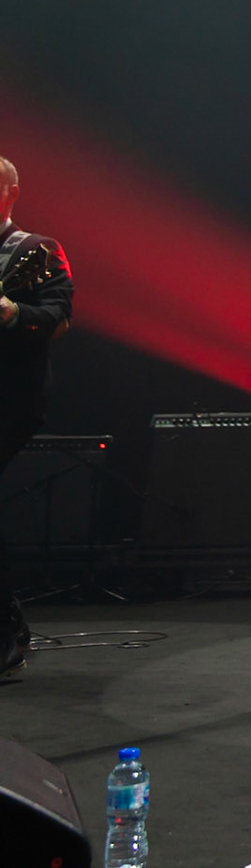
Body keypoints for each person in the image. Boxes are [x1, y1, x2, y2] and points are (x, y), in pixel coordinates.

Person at [0, 157, 75, 676]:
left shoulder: (34, 249)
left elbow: (59, 316)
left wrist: (11, 312)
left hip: (11, 397)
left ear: (12, 192)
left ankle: (6, 631)